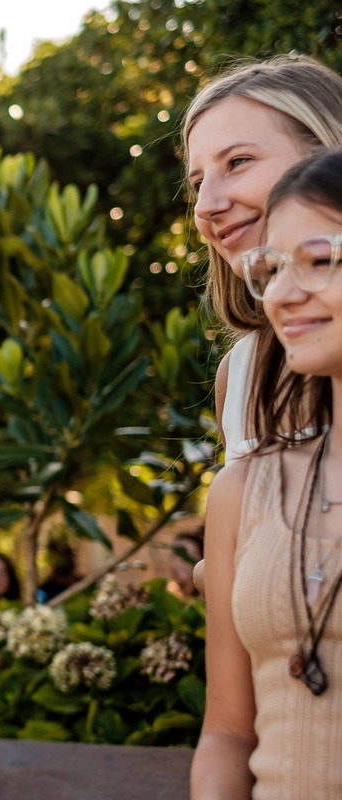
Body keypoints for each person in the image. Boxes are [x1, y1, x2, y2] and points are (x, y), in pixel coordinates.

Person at [191, 148, 342, 798]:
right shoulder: (241, 491)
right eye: (271, 267)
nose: (281, 293)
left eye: (317, 260)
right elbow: (227, 734)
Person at [181, 55, 342, 596]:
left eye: (238, 161)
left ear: (326, 153)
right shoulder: (241, 374)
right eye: (197, 181)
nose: (208, 204)